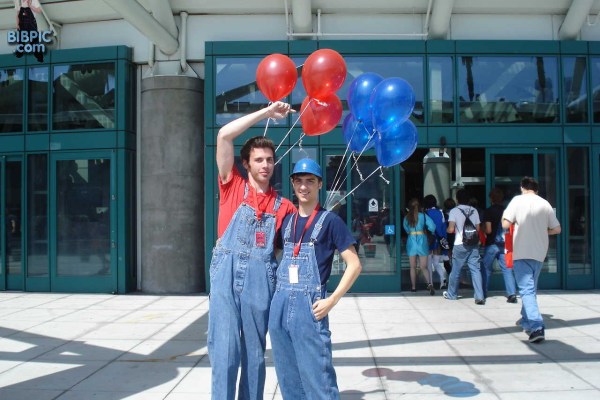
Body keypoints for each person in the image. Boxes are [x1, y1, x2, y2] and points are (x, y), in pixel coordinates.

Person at [208, 101, 296, 400]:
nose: (265, 165)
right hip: (226, 274)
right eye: (258, 160)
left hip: (261, 280)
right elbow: (224, 135)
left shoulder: (284, 206)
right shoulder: (231, 185)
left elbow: (286, 251)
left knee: (255, 355)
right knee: (224, 350)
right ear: (246, 164)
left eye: (269, 160)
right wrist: (266, 113)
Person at [269, 158, 361, 399]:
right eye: (299, 181)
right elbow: (273, 258)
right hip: (280, 306)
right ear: (292, 184)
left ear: (320, 184)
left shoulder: (331, 221)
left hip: (309, 308)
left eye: (310, 181)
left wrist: (332, 300)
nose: (303, 186)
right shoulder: (286, 221)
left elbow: (354, 265)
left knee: (318, 380)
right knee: (288, 379)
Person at [502, 177, 561, 343]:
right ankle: (526, 319)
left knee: (526, 290)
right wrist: (543, 231)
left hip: (522, 251)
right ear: (536, 189)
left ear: (522, 187)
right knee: (530, 288)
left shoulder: (517, 200)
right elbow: (557, 229)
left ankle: (536, 326)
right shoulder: (545, 203)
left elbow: (505, 224)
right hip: (540, 252)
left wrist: (506, 218)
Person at [443, 189, 485, 304]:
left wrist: (447, 230)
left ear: (457, 199)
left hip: (460, 244)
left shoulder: (454, 211)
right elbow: (478, 229)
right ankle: (479, 296)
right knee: (475, 270)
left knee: (456, 271)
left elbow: (451, 229)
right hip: (473, 244)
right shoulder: (474, 211)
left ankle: (452, 294)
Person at [481, 187, 517, 303]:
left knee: (486, 268)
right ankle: (511, 294)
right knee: (507, 270)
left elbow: (489, 230)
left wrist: (482, 228)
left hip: (492, 244)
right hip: (504, 244)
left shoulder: (489, 211)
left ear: (491, 198)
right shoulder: (506, 211)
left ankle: (483, 292)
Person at [402, 198, 436, 294]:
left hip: (411, 241)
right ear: (419, 206)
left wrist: (411, 232)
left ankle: (413, 287)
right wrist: (429, 231)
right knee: (423, 267)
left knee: (412, 267)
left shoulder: (407, 217)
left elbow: (406, 229)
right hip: (422, 241)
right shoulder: (423, 216)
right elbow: (432, 227)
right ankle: (429, 284)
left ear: (409, 207)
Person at [423, 194, 448, 289]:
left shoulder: (425, 213)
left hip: (429, 239)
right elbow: (443, 227)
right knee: (436, 262)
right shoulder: (440, 212)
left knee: (429, 263)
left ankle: (431, 283)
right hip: (439, 238)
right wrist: (444, 239)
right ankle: (443, 279)